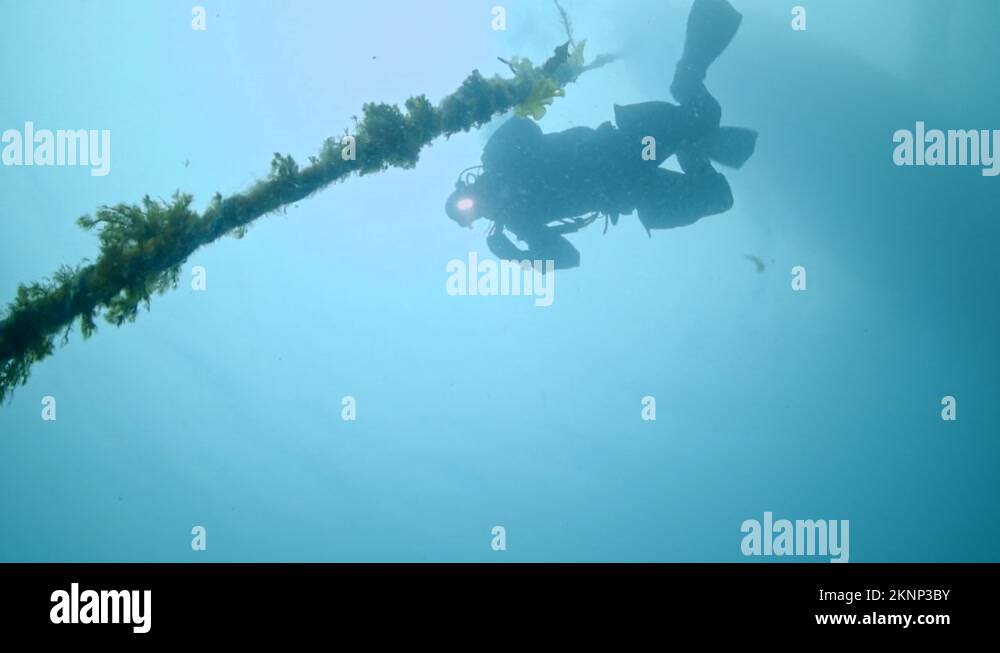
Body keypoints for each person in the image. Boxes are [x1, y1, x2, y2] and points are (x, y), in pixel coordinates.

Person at [444, 0, 757, 270]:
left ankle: (687, 85)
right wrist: (518, 257)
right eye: (469, 215)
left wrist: (502, 157)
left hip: (630, 150)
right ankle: (692, 148)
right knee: (718, 197)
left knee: (702, 117)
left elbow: (524, 125)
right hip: (632, 189)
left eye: (465, 201)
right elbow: (569, 258)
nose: (474, 205)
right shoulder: (518, 222)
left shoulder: (496, 159)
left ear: (465, 186)